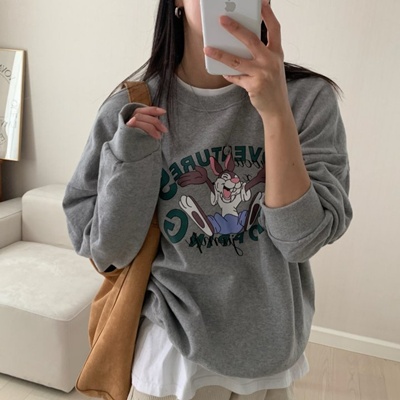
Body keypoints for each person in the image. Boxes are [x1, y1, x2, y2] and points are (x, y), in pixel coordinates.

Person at [63, 0, 353, 399]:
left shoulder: (308, 100)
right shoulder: (133, 109)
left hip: (271, 348)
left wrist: (276, 113)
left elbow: (299, 241)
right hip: (171, 347)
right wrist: (131, 157)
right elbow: (107, 252)